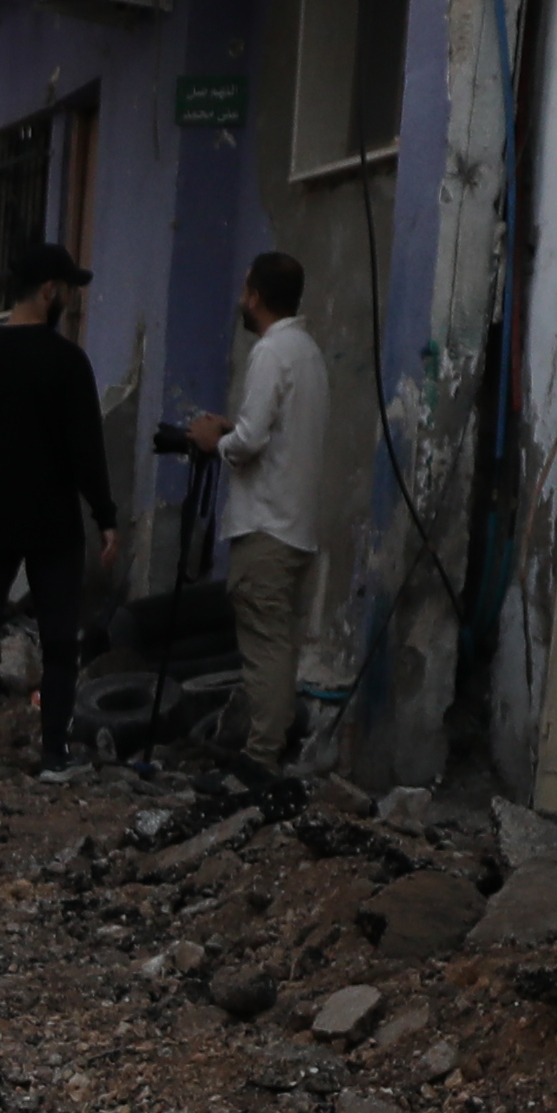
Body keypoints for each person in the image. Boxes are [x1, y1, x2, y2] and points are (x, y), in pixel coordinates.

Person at [0, 240, 116, 780]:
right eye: (67, 291)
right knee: (61, 642)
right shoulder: (68, 363)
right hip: (54, 527)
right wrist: (105, 516)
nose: (69, 301)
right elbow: (88, 448)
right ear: (49, 291)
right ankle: (54, 757)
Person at [176, 246, 330, 762]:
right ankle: (273, 749)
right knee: (279, 646)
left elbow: (250, 442)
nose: (242, 300)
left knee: (263, 651)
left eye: (245, 290)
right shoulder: (307, 351)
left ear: (256, 297)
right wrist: (231, 431)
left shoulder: (270, 353)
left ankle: (262, 757)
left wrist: (213, 441)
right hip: (296, 526)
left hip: (265, 525)